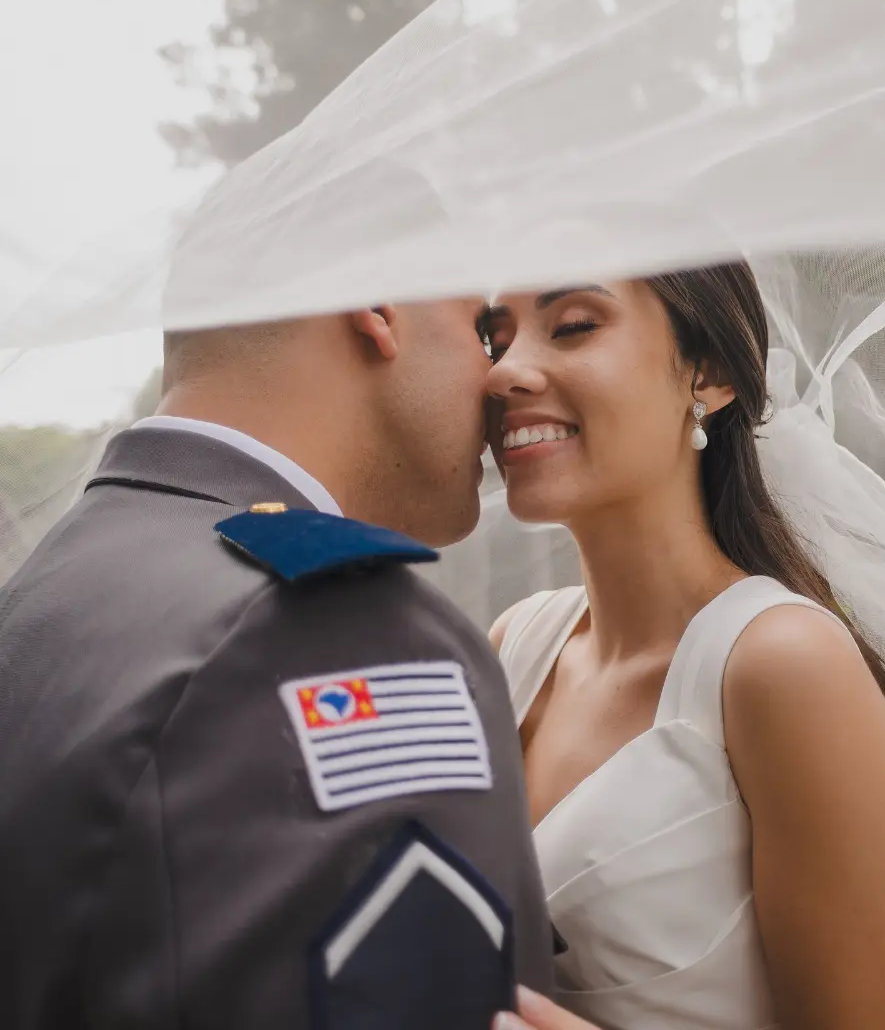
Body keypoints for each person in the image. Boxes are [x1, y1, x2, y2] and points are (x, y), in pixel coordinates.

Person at [0, 297, 555, 1029]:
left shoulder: (42, 588)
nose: (500, 376)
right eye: (483, 333)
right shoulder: (343, 628)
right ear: (378, 308)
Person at [485, 263, 885, 1030]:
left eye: (573, 325)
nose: (503, 372)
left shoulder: (780, 663)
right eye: (492, 337)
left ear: (706, 374)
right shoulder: (515, 646)